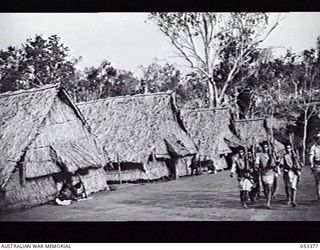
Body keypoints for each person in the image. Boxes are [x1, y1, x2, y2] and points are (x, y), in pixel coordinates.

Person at [255, 141, 279, 209]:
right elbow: (257, 164)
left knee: (269, 187)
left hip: (271, 173)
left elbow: (276, 163)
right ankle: (267, 199)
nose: (265, 148)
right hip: (263, 173)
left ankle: (268, 203)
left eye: (266, 147)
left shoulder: (272, 154)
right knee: (265, 188)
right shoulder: (259, 155)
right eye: (264, 147)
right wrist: (259, 168)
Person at [309, 133, 320, 202]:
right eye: (319, 138)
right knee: (318, 182)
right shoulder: (313, 147)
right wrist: (311, 164)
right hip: (317, 165)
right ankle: (319, 195)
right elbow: (311, 156)